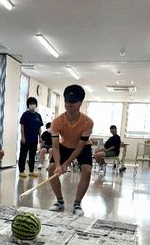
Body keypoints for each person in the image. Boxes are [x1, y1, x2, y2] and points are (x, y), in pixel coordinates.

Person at [48, 84, 94, 216]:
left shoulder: (88, 122)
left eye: (72, 103)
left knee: (87, 171)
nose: (69, 106)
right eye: (67, 102)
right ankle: (59, 201)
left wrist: (66, 164)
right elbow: (55, 146)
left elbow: (80, 147)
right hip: (64, 145)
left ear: (80, 103)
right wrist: (58, 165)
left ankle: (77, 203)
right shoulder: (57, 122)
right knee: (51, 169)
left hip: (82, 147)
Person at [18, 96, 44, 178]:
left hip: (34, 139)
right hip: (26, 139)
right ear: (28, 105)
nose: (32, 105)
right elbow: (22, 126)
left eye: (33, 103)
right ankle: (21, 171)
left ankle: (31, 171)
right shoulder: (25, 115)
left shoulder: (38, 116)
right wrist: (23, 137)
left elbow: (39, 127)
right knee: (23, 155)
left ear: (36, 105)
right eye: (30, 104)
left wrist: (40, 137)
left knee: (32, 156)